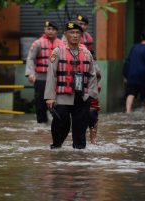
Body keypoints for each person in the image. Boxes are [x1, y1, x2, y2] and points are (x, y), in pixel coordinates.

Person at [44, 21, 98, 149]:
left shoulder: (86, 53)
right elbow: (51, 75)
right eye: (72, 32)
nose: (75, 35)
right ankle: (56, 148)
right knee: (61, 124)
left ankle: (79, 157)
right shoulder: (57, 52)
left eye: (78, 33)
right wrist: (50, 97)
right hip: (62, 95)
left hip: (82, 96)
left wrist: (91, 95)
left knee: (80, 128)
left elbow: (93, 74)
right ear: (65, 34)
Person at [25, 21, 63, 123]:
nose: (50, 31)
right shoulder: (38, 43)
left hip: (57, 79)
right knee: (40, 104)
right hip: (41, 78)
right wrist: (30, 73)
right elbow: (30, 59)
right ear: (44, 30)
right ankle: (41, 127)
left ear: (57, 31)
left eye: (53, 29)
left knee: (58, 104)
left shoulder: (61, 44)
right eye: (48, 29)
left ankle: (58, 125)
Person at [123, 32, 145, 113]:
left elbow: (128, 61)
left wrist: (126, 75)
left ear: (141, 37)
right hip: (143, 75)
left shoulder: (134, 47)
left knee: (131, 93)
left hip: (132, 74)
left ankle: (128, 112)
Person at [88, 64, 101, 144]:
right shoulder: (98, 87)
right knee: (93, 126)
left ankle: (93, 140)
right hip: (93, 109)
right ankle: (93, 140)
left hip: (86, 109)